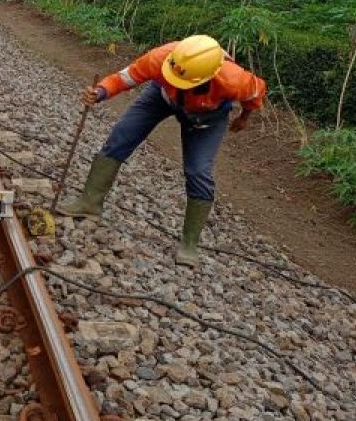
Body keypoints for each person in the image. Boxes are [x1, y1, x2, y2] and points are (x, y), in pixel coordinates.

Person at [56, 34, 267, 267]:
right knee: (120, 136)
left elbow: (256, 93)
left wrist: (244, 118)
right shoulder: (162, 57)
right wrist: (101, 92)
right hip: (161, 97)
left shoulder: (234, 79)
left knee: (198, 171)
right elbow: (126, 78)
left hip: (208, 115)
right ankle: (89, 202)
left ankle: (189, 244)